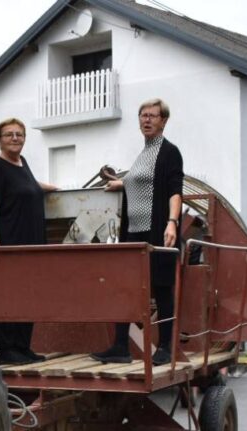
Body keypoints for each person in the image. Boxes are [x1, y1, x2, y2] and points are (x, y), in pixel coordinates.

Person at [93, 98, 184, 366]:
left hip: (157, 231)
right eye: (143, 115)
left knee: (162, 288)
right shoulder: (143, 153)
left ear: (164, 120)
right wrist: (121, 183)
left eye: (152, 116)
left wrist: (172, 222)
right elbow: (142, 181)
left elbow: (174, 190)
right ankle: (121, 347)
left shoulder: (169, 152)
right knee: (127, 289)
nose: (146, 120)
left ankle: (166, 347)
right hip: (134, 233)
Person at [0, 117, 58, 365]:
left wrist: (52, 188)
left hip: (29, 247)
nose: (15, 138)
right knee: (6, 295)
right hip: (7, 245)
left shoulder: (22, 164)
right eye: (9, 134)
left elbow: (28, 186)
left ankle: (23, 346)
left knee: (27, 295)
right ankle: (6, 349)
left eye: (19, 134)